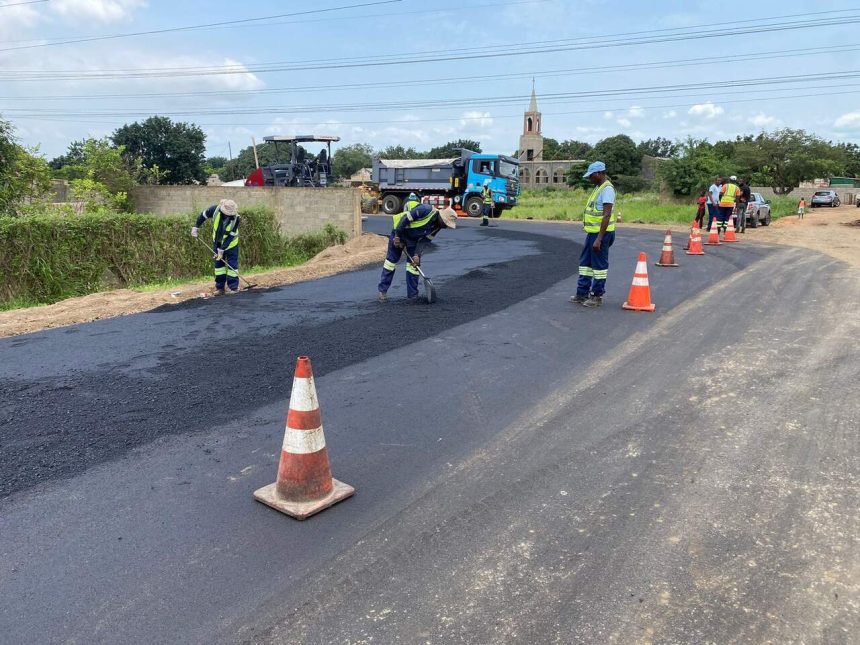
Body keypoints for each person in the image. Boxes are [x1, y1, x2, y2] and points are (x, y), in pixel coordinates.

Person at [377, 201, 457, 302]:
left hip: (413, 240)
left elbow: (424, 241)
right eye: (445, 224)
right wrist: (397, 236)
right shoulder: (425, 210)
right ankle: (382, 292)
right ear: (441, 217)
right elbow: (405, 219)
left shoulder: (437, 227)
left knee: (413, 266)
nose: (445, 227)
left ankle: (412, 296)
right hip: (400, 231)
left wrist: (417, 255)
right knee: (391, 262)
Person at [570, 161, 615, 308]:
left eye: (591, 176)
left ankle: (597, 296)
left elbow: (606, 215)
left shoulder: (607, 189)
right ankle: (582, 293)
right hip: (592, 233)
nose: (590, 179)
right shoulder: (598, 188)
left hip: (601, 234)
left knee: (599, 266)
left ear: (599, 173)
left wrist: (599, 239)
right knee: (585, 263)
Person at [191, 199, 240, 295]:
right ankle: (220, 288)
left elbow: (231, 236)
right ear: (222, 211)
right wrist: (196, 227)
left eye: (230, 214)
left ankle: (233, 288)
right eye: (226, 214)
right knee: (219, 266)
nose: (228, 215)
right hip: (217, 242)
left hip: (231, 244)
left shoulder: (236, 219)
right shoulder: (214, 210)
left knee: (232, 266)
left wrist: (222, 249)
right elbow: (202, 216)